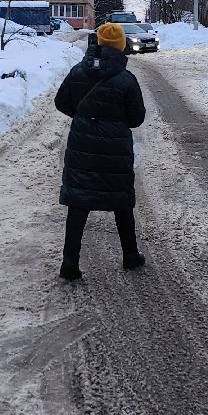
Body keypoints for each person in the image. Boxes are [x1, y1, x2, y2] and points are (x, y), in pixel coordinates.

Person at [54, 22, 147, 280]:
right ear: (120, 48)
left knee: (78, 204)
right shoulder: (126, 79)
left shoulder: (77, 72)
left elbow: (61, 102)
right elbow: (137, 118)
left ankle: (69, 264)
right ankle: (130, 256)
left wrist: (85, 116)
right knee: (121, 202)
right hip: (115, 148)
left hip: (82, 146)